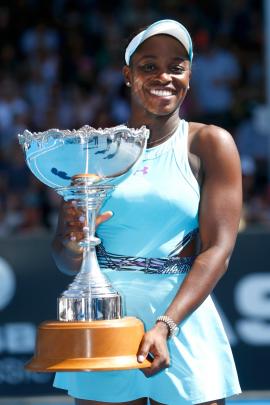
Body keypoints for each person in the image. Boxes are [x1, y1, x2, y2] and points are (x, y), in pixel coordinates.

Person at [52, 19, 242, 405]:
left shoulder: (210, 143)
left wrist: (165, 326)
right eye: (149, 66)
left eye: (177, 66)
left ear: (189, 75)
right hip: (104, 325)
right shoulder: (93, 150)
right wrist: (74, 243)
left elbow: (217, 251)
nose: (164, 77)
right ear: (128, 74)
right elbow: (66, 259)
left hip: (181, 321)